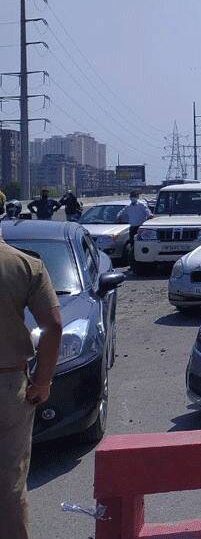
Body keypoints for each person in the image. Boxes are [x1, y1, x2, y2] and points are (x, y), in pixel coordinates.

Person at [0, 231, 63, 539]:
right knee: (9, 482)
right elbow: (53, 326)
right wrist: (43, 382)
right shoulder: (25, 265)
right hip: (7, 385)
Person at [115, 191, 154, 262]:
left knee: (141, 245)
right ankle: (134, 261)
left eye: (134, 196)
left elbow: (148, 213)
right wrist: (118, 217)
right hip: (132, 228)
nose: (133, 198)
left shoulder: (142, 205)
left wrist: (149, 216)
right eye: (131, 196)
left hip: (141, 228)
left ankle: (144, 260)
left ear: (137, 197)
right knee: (132, 246)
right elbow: (121, 213)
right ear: (130, 197)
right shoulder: (128, 207)